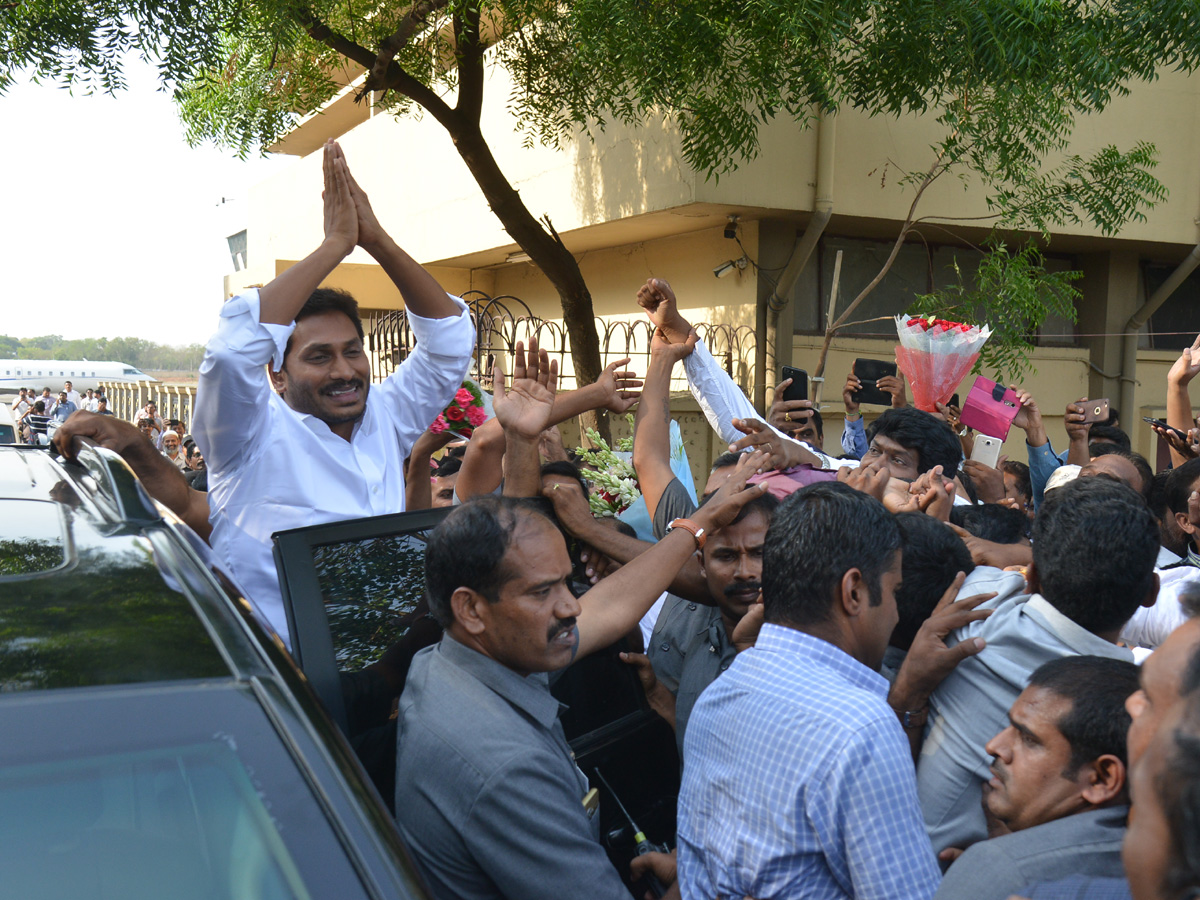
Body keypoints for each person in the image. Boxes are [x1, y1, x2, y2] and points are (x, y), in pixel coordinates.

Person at [392, 341, 770, 900]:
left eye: (569, 580)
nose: (572, 605)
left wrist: (698, 526)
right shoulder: (508, 772)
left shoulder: (456, 659)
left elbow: (611, 601)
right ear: (470, 608)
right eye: (546, 591)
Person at [192, 140, 474, 648]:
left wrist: (376, 239)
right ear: (276, 372)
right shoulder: (244, 436)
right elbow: (232, 355)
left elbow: (449, 343)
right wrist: (333, 247)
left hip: (386, 664)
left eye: (352, 351)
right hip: (281, 675)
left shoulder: (385, 416)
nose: (344, 371)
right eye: (319, 356)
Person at [676, 481, 942, 900]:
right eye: (894, 592)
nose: (894, 614)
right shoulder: (861, 728)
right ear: (854, 591)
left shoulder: (720, 693)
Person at [917, 477, 1160, 855]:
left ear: (1029, 576)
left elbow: (981, 565)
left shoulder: (969, 614)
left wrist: (1011, 553)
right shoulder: (1137, 710)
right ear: (1152, 593)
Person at [935, 657, 1140, 900]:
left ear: (1101, 779)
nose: (994, 746)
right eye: (1010, 727)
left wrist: (995, 870)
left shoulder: (1004, 872)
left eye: (1029, 739)